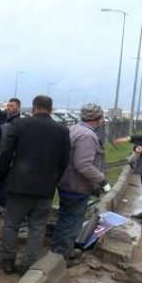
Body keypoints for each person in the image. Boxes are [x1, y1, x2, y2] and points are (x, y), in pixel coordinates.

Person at [0, 95, 70, 274]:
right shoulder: (62, 130)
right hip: (45, 188)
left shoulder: (20, 125)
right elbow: (64, 161)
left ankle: (8, 261)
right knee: (37, 227)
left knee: (11, 224)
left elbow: (5, 154)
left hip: (18, 185)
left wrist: (1, 176)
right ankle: (27, 264)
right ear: (51, 109)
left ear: (34, 107)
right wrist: (53, 181)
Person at [50, 104, 108, 266]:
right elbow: (83, 165)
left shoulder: (73, 129)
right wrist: (102, 180)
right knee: (72, 222)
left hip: (66, 182)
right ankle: (62, 257)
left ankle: (58, 251)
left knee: (65, 218)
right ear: (98, 119)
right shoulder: (88, 136)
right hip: (77, 186)